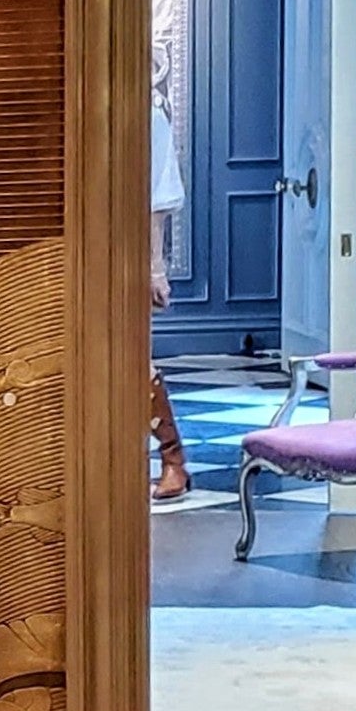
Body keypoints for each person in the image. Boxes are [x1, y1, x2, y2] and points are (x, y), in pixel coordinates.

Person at [148, 101, 189, 502]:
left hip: (124, 250)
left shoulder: (148, 115)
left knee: (135, 361)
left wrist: (154, 268)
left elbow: (157, 201)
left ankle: (172, 459)